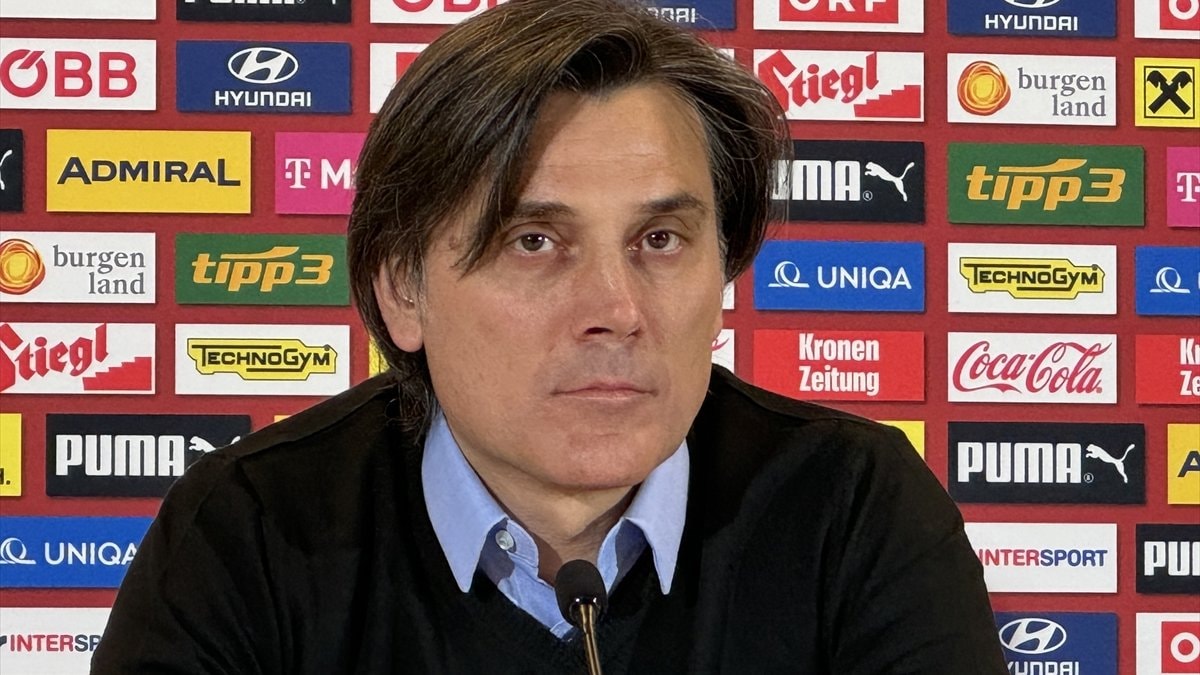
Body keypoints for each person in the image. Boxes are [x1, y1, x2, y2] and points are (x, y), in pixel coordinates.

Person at [93, 1, 1007, 672]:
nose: (616, 307)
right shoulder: (251, 533)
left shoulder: (853, 510)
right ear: (403, 288)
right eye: (535, 242)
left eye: (660, 240)